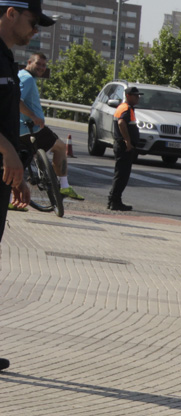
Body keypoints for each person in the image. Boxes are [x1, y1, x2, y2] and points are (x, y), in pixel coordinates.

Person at [0, 0, 54, 372]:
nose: (35, 31)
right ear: (11, 13)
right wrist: (9, 153)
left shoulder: (7, 60)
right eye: (33, 23)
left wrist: (15, 169)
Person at [19, 51, 84, 201]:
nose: (41, 67)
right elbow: (17, 101)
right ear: (29, 63)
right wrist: (33, 116)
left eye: (44, 65)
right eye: (38, 64)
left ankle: (10, 200)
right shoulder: (27, 78)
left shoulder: (22, 76)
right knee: (60, 147)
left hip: (20, 129)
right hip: (31, 128)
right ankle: (64, 186)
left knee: (19, 164)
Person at [107, 85, 142, 211]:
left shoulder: (124, 107)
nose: (138, 97)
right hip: (124, 146)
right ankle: (114, 201)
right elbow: (121, 123)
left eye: (138, 95)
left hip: (122, 145)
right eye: (135, 95)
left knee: (120, 175)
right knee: (122, 176)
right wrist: (127, 141)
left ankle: (113, 200)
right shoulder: (126, 108)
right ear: (128, 96)